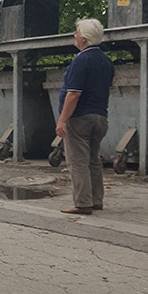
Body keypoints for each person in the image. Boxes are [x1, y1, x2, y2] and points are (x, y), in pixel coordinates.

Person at [56, 18, 114, 216]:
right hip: (100, 116)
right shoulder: (106, 61)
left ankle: (82, 203)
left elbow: (74, 93)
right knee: (93, 160)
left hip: (80, 117)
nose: (74, 35)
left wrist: (63, 119)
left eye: (76, 32)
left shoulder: (81, 60)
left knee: (78, 161)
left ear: (84, 39)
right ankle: (97, 200)